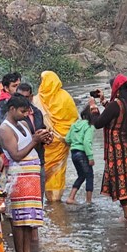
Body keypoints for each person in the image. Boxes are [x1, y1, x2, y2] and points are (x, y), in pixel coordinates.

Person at [0, 95, 48, 252]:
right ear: (12, 109)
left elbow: (31, 145)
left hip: (32, 178)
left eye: (27, 111)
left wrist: (43, 139)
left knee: (28, 220)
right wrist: (35, 140)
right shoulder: (5, 129)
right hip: (19, 178)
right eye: (22, 111)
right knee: (19, 219)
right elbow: (16, 155)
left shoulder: (24, 124)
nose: (25, 114)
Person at [90, 74, 127, 221]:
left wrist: (93, 107)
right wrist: (104, 102)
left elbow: (98, 123)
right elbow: (117, 113)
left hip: (117, 150)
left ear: (116, 89)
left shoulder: (116, 105)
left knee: (122, 181)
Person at [35, 70, 77, 202]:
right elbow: (74, 119)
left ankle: (47, 202)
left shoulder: (38, 99)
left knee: (44, 167)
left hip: (46, 141)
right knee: (58, 170)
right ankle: (56, 201)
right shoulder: (65, 97)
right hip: (62, 141)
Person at [65, 104, 97, 205]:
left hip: (74, 154)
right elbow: (87, 142)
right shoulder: (89, 126)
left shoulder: (74, 125)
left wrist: (75, 142)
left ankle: (71, 197)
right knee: (89, 176)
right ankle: (88, 201)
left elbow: (67, 139)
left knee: (81, 175)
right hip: (83, 154)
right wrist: (90, 157)